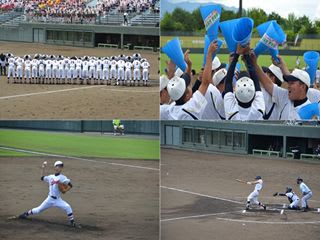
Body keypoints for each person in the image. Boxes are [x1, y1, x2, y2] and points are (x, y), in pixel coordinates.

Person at [251, 53, 315, 120]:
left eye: (292, 83)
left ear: (303, 86)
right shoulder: (285, 96)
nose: (288, 86)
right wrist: (254, 64)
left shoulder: (311, 112)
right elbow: (267, 83)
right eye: (288, 83)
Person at [164, 42, 218, 120]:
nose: (190, 85)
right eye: (188, 86)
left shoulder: (170, 108)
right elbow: (205, 83)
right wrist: (209, 54)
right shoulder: (192, 108)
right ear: (187, 96)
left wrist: (189, 66)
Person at [18, 161, 79, 227]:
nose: (59, 168)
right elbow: (42, 178)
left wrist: (65, 190)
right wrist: (43, 168)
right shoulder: (50, 177)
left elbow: (70, 185)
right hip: (49, 199)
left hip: (58, 200)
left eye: (61, 167)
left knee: (67, 207)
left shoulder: (63, 177)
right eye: (58, 166)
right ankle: (26, 214)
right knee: (38, 210)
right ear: (55, 167)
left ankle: (72, 222)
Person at [223, 45, 265, 120]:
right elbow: (256, 82)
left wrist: (237, 55)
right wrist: (246, 56)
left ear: (235, 94)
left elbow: (228, 82)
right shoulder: (258, 111)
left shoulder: (232, 114)